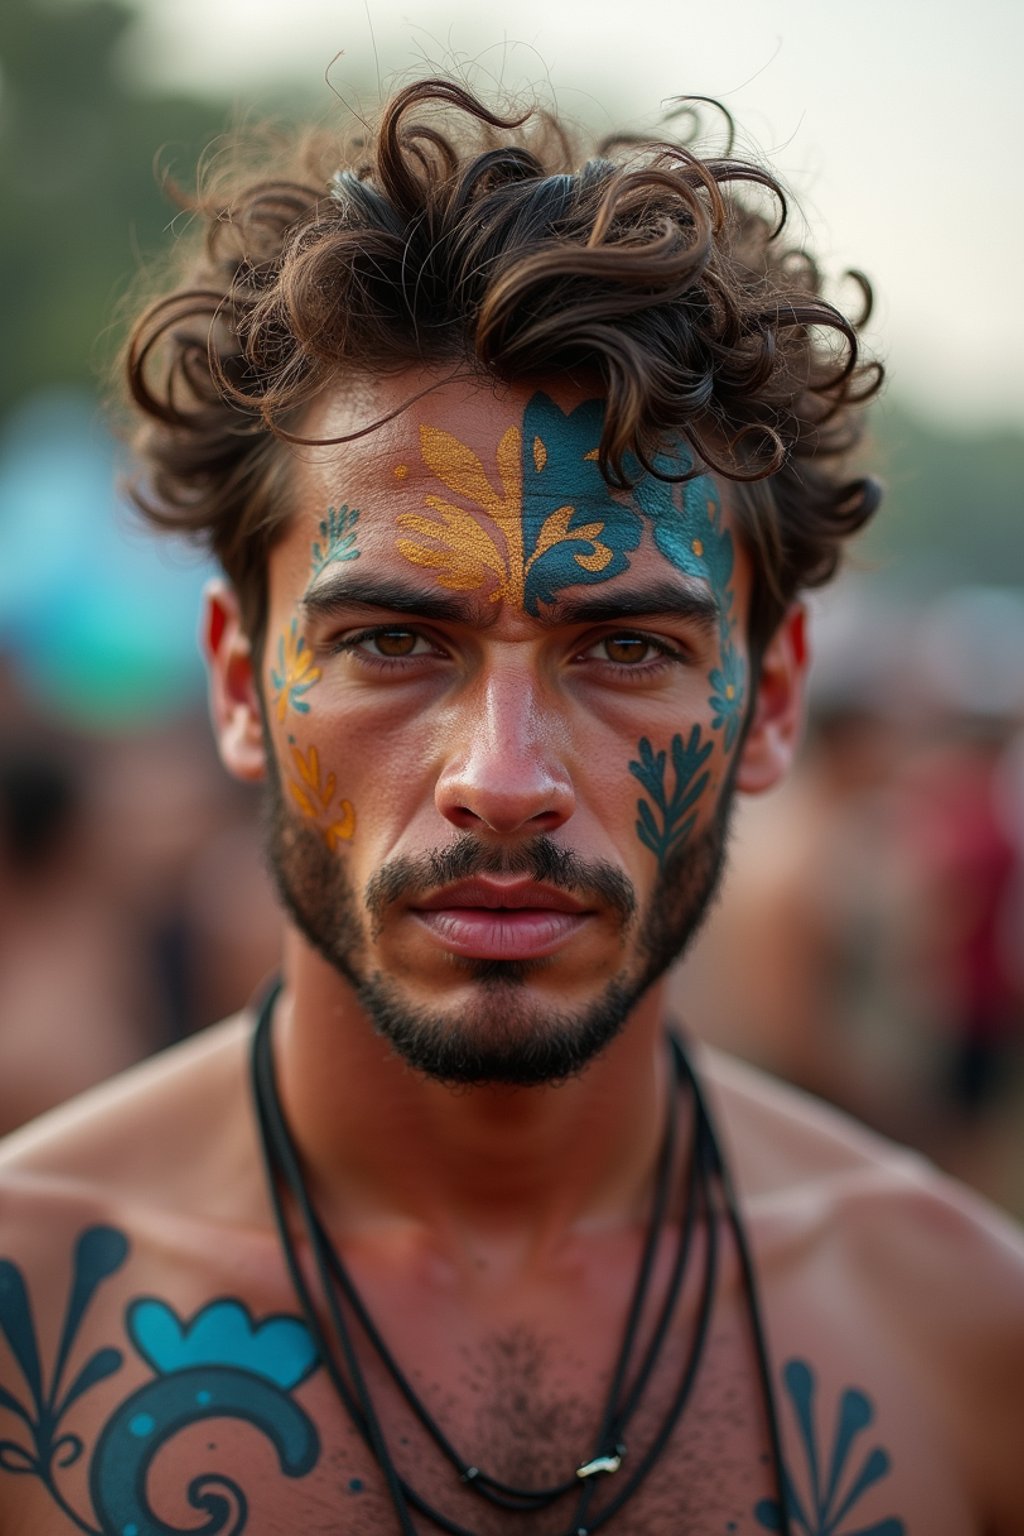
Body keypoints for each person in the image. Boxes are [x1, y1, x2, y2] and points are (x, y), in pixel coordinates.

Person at [0, 77, 1021, 1536]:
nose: (504, 779)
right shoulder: (30, 1312)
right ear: (238, 683)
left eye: (627, 649)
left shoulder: (961, 1335)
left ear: (774, 698)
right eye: (391, 641)